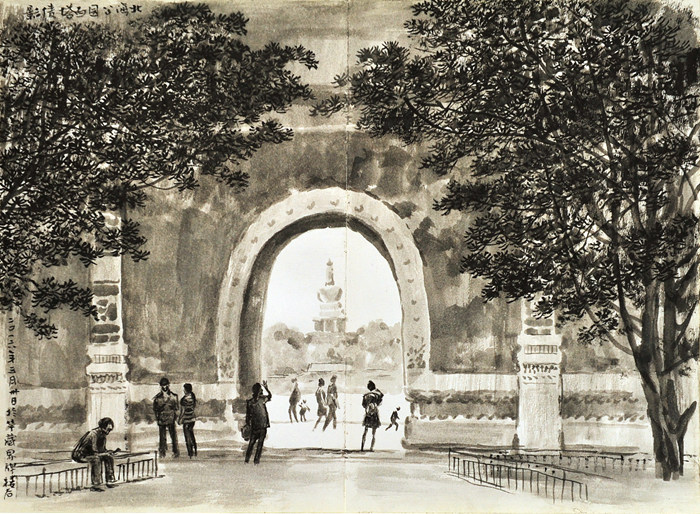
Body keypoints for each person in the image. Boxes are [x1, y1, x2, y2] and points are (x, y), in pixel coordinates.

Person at [72, 417, 120, 492]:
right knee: (96, 459)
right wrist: (105, 453)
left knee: (109, 457)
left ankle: (110, 480)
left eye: (110, 430)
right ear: (103, 427)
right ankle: (96, 484)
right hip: (81, 455)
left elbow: (102, 450)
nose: (108, 432)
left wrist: (110, 452)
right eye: (108, 429)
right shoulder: (93, 434)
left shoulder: (103, 435)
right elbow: (95, 452)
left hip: (91, 454)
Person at [245, 380, 272, 464]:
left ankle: (248, 461)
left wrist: (248, 424)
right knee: (258, 445)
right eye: (261, 389)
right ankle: (254, 461)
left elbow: (248, 416)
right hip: (261, 426)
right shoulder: (262, 399)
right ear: (259, 391)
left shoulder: (250, 402)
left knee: (252, 444)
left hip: (256, 426)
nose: (262, 391)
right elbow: (270, 396)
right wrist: (267, 388)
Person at [153, 377, 179, 458]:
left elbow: (176, 408)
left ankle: (175, 452)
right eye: (163, 385)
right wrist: (158, 418)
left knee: (173, 436)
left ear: (168, 385)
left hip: (171, 418)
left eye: (166, 385)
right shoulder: (157, 398)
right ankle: (162, 452)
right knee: (162, 437)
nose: (164, 387)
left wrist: (175, 417)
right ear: (161, 386)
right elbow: (155, 409)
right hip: (162, 419)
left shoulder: (174, 396)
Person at [361, 380, 383, 451]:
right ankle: (371, 448)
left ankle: (362, 447)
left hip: (368, 414)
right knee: (374, 433)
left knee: (365, 430)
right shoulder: (377, 395)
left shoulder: (366, 395)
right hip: (375, 414)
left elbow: (363, 405)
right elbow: (380, 402)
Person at [179, 383, 197, 458]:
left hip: (186, 420)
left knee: (187, 437)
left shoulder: (184, 399)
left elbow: (183, 411)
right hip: (192, 419)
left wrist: (180, 419)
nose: (183, 390)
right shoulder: (193, 397)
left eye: (184, 389)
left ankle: (190, 453)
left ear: (186, 390)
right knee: (191, 435)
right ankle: (195, 450)